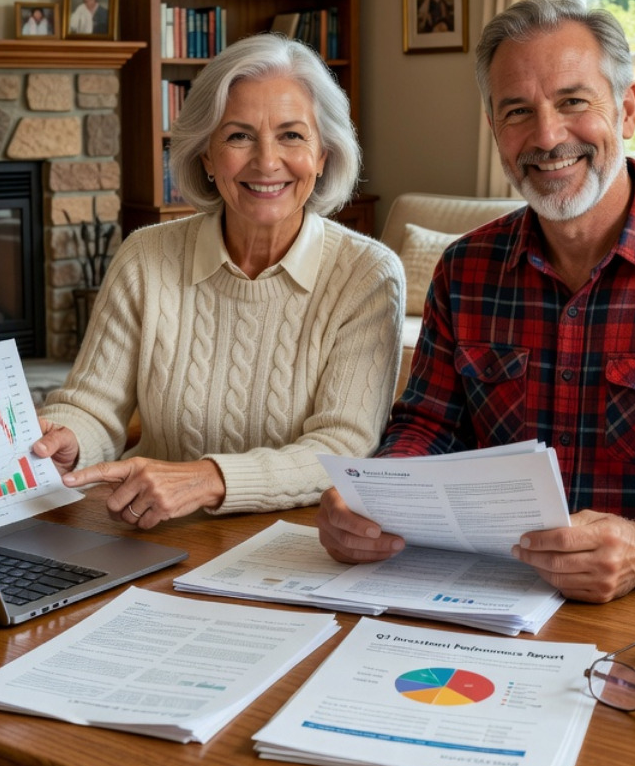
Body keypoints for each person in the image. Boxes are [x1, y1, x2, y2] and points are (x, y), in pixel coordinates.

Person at [318, 0, 635, 603]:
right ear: (495, 130)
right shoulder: (465, 270)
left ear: (627, 109)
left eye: (573, 102)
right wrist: (375, 496)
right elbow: (430, 425)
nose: (547, 136)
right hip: (490, 598)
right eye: (517, 111)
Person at [32, 32, 405, 528]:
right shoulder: (146, 256)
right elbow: (94, 406)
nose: (266, 161)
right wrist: (68, 439)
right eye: (238, 136)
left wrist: (207, 479)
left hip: (297, 542)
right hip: (150, 532)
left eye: (292, 136)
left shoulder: (367, 274)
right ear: (206, 155)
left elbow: (343, 448)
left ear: (323, 154)